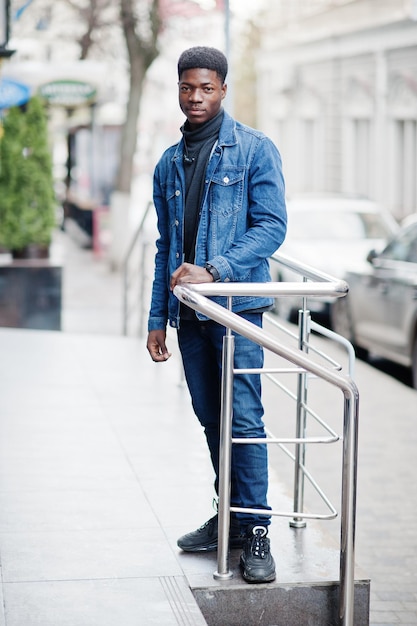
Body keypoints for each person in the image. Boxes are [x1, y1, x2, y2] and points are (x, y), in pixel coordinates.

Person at [146, 46, 287, 584]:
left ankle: (256, 531)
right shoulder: (168, 162)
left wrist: (217, 268)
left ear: (223, 89)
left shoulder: (254, 150)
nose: (196, 97)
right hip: (191, 318)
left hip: (238, 311)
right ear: (178, 89)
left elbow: (271, 227)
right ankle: (228, 512)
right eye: (187, 88)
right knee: (212, 418)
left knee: (245, 421)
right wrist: (157, 317)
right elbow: (166, 246)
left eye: (206, 88)